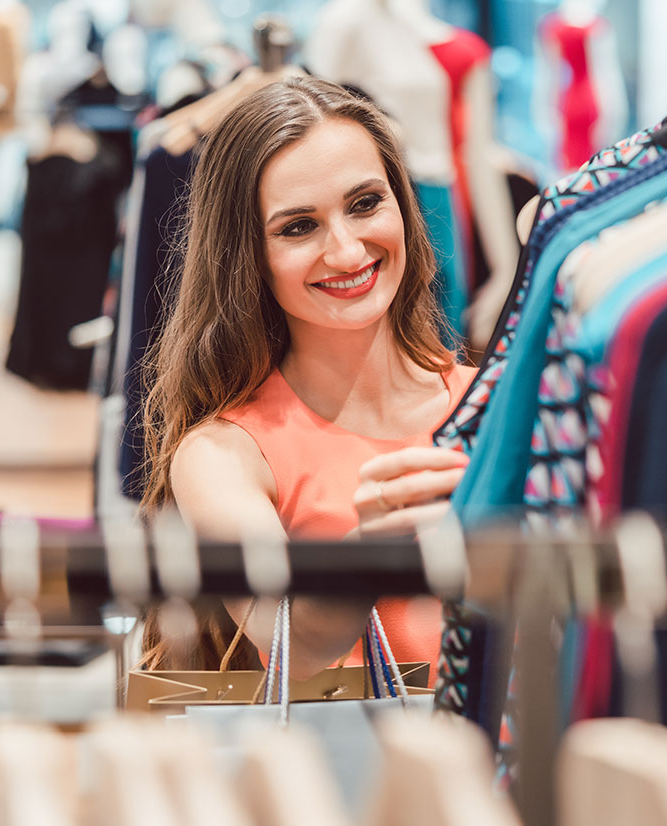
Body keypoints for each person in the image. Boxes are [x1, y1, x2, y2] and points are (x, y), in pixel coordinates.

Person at [139, 75, 476, 681]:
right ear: (248, 255)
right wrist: (370, 555)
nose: (347, 252)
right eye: (298, 227)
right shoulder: (224, 454)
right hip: (353, 771)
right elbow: (293, 640)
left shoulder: (492, 402)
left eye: (366, 203)